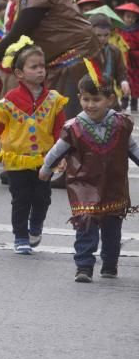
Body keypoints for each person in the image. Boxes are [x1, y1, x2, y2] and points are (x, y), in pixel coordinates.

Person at [39, 66, 139, 282]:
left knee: (112, 230)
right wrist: (46, 169)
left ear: (110, 99)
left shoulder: (122, 125)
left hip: (113, 185)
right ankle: (84, 266)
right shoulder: (73, 127)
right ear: (79, 98)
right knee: (85, 225)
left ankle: (110, 264)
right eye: (86, 99)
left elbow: (133, 149)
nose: (90, 105)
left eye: (96, 99)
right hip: (83, 185)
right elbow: (58, 151)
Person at [0, 38, 67, 254]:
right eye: (34, 67)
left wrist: (62, 155)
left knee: (42, 198)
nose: (40, 71)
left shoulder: (54, 100)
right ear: (19, 73)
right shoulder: (9, 100)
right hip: (16, 160)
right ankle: (21, 236)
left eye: (42, 66)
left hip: (45, 159)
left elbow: (60, 130)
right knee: (21, 199)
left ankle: (36, 225)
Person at [116, 2, 139, 111]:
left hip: (135, 62)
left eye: (133, 17)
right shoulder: (118, 30)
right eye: (128, 16)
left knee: (135, 82)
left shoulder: (137, 32)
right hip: (122, 59)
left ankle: (134, 102)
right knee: (124, 79)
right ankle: (124, 100)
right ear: (123, 17)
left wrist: (134, 53)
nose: (130, 19)